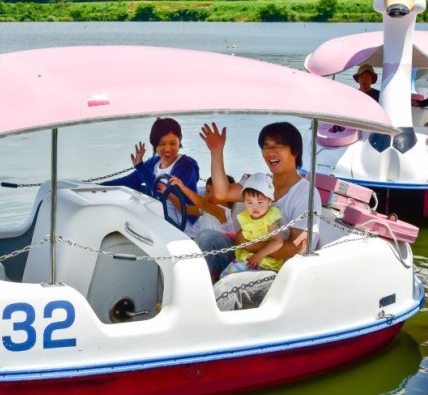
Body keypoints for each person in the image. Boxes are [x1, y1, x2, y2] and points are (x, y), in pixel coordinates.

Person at [194, 121, 319, 281]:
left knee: (230, 285)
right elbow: (222, 194)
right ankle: (210, 284)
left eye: (278, 146)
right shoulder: (259, 182)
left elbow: (295, 248)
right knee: (207, 238)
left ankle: (220, 289)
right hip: (244, 254)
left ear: (295, 151)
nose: (270, 152)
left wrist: (248, 243)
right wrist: (216, 151)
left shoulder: (305, 193)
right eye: (266, 147)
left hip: (273, 269)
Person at [103, 117, 200, 228]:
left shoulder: (185, 166)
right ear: (154, 144)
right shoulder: (154, 162)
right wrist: (95, 187)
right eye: (162, 144)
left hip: (183, 228)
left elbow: (162, 190)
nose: (168, 149)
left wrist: (140, 167)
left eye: (173, 143)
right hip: (158, 221)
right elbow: (128, 181)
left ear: (179, 141)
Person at [222, 173, 285, 274]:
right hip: (247, 256)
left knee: (231, 273)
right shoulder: (246, 216)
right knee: (225, 273)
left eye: (260, 202)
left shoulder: (269, 220)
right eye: (250, 202)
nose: (255, 207)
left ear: (269, 201)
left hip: (264, 261)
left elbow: (278, 242)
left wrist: (259, 255)